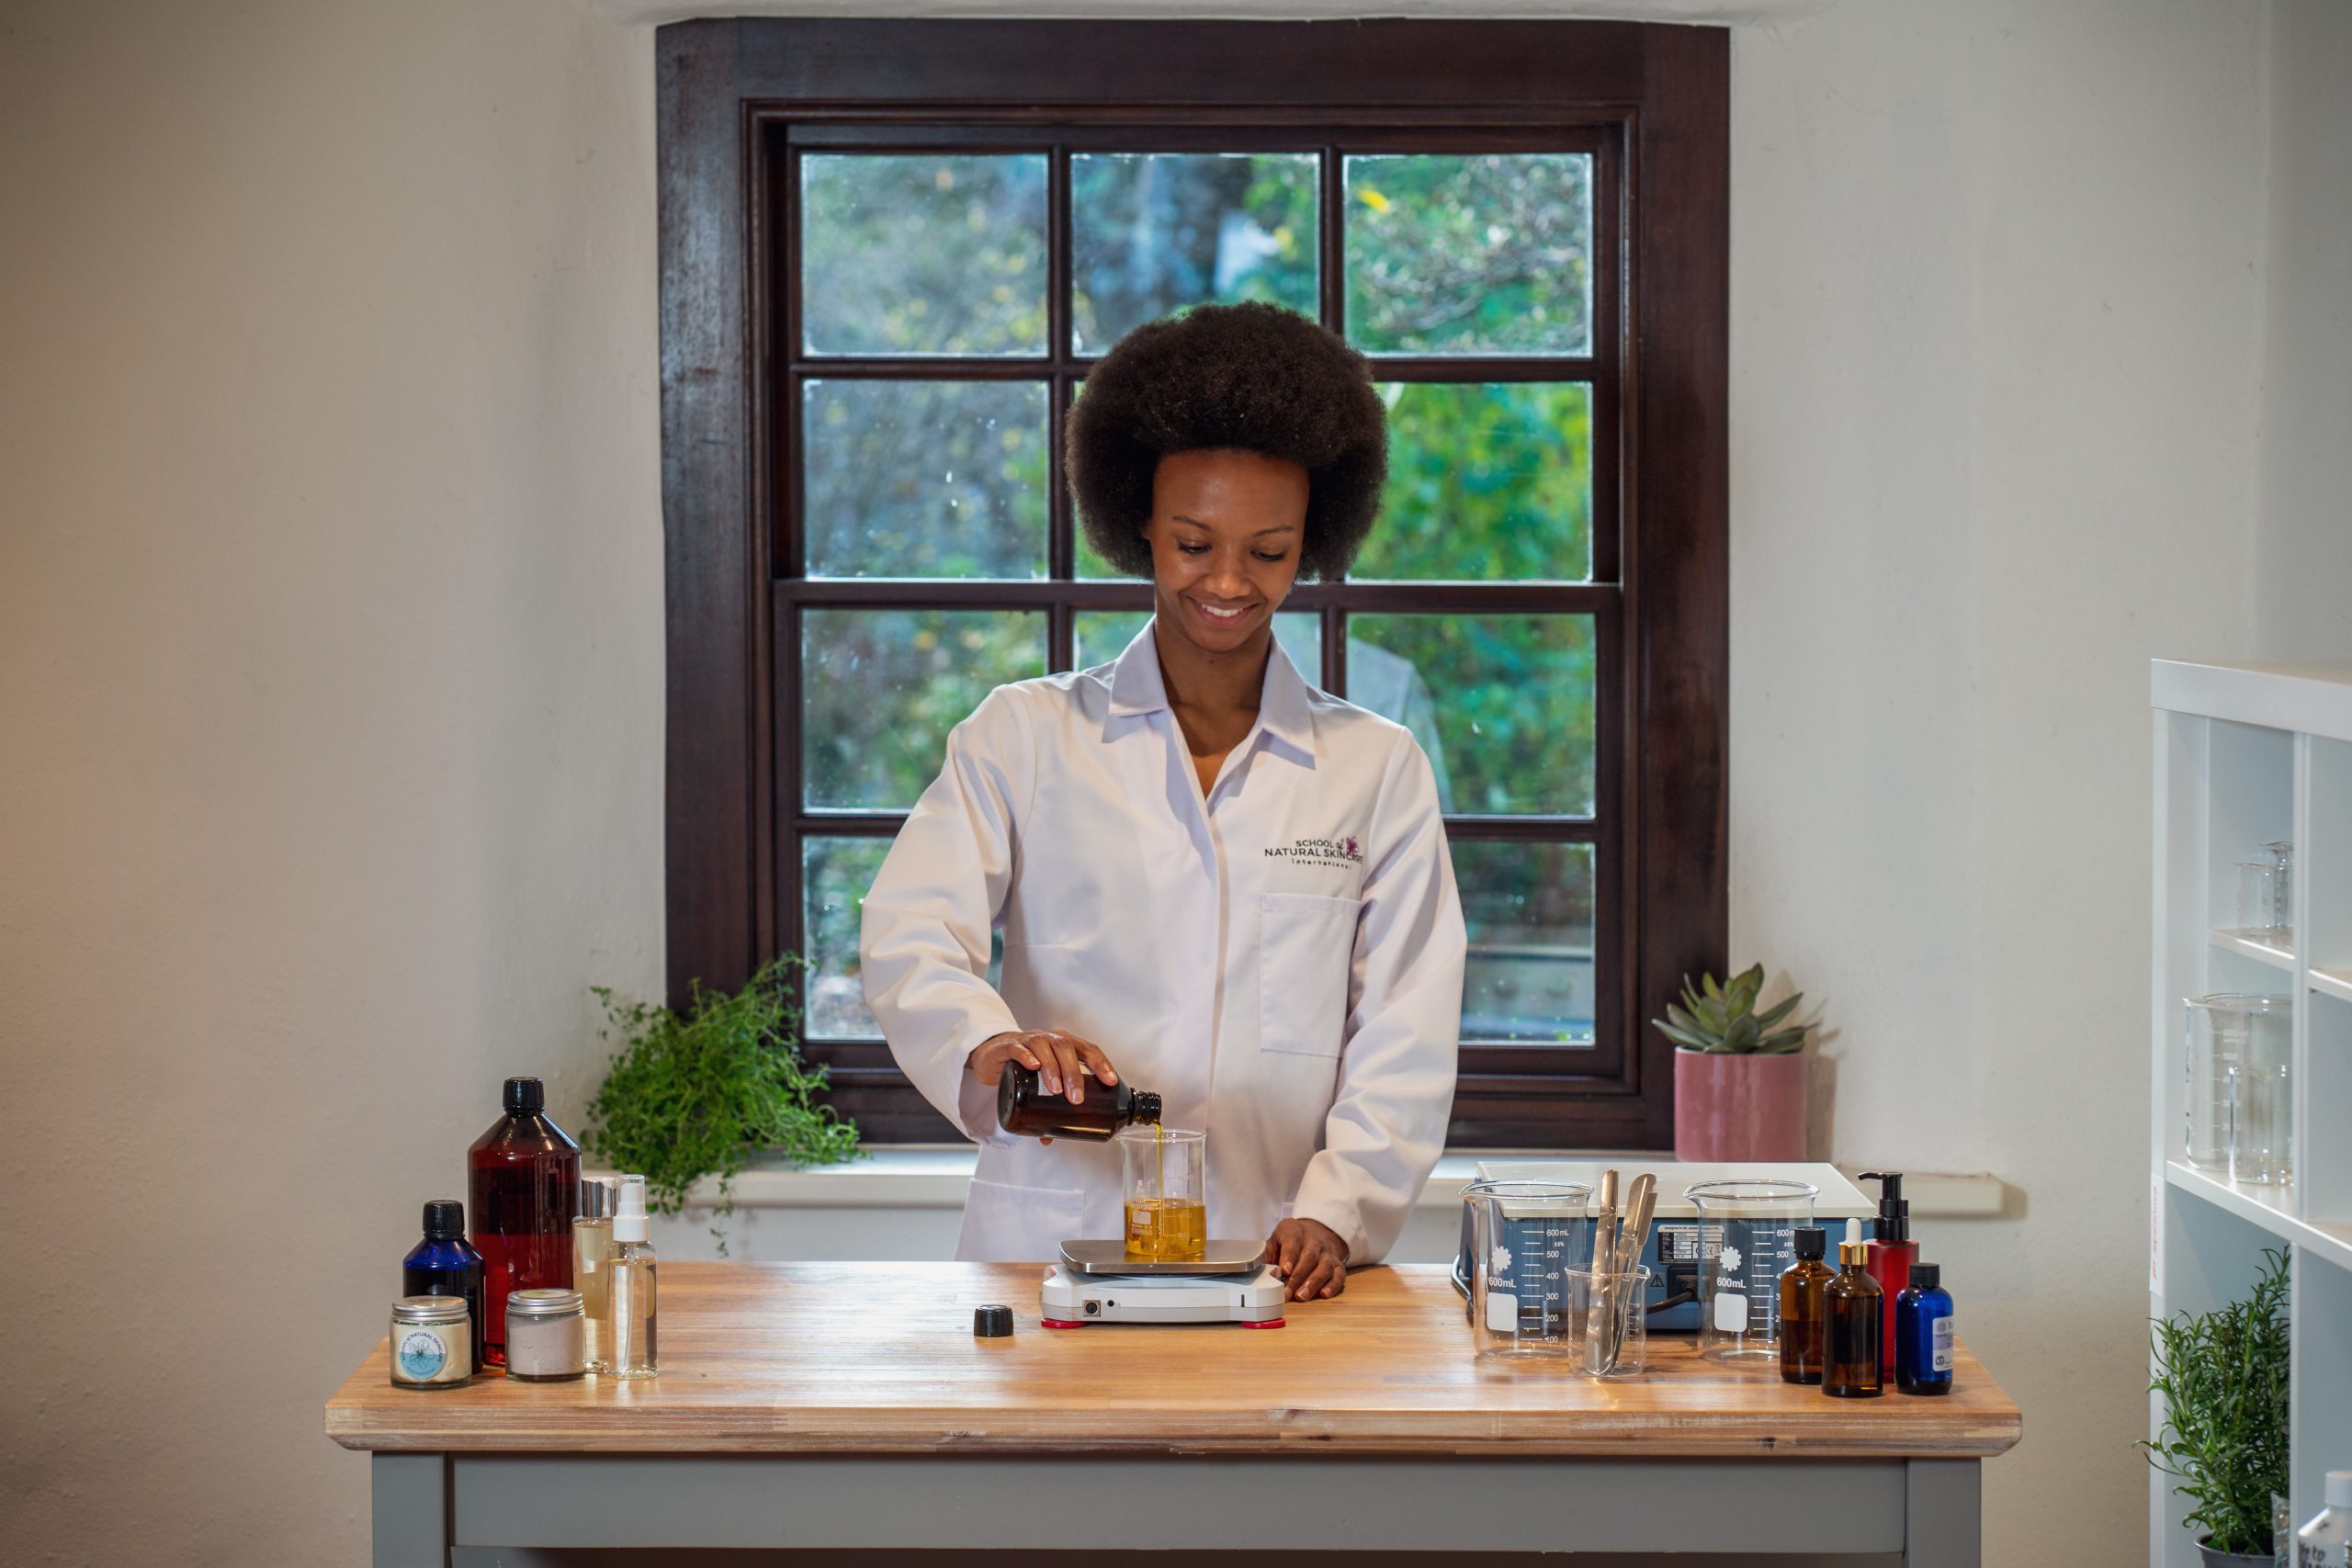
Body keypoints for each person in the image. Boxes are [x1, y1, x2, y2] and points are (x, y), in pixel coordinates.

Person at [858, 302, 1465, 1301]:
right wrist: (990, 1043)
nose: (1227, 582)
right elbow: (909, 933)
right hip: (1050, 1244)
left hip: (1279, 1255)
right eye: (1194, 543)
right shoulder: (1025, 736)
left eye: (1267, 552)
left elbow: (1406, 1020)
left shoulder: (1375, 767)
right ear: (1138, 518)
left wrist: (1338, 1205)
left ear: (1311, 541)